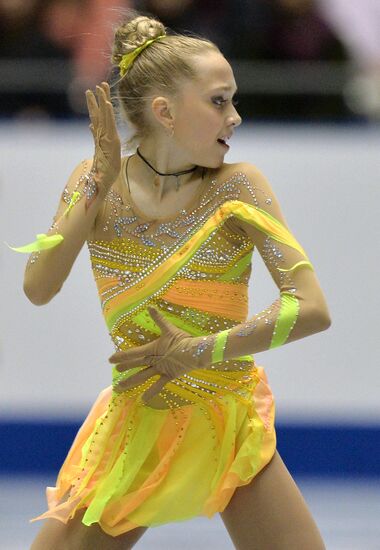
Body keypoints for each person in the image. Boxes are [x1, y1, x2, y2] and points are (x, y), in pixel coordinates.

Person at [12, 11, 331, 550]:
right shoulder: (94, 184)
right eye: (218, 100)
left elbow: (312, 308)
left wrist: (200, 352)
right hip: (137, 422)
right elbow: (38, 287)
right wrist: (95, 186)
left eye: (232, 100)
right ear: (164, 111)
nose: (235, 117)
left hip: (228, 421)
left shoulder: (239, 188)